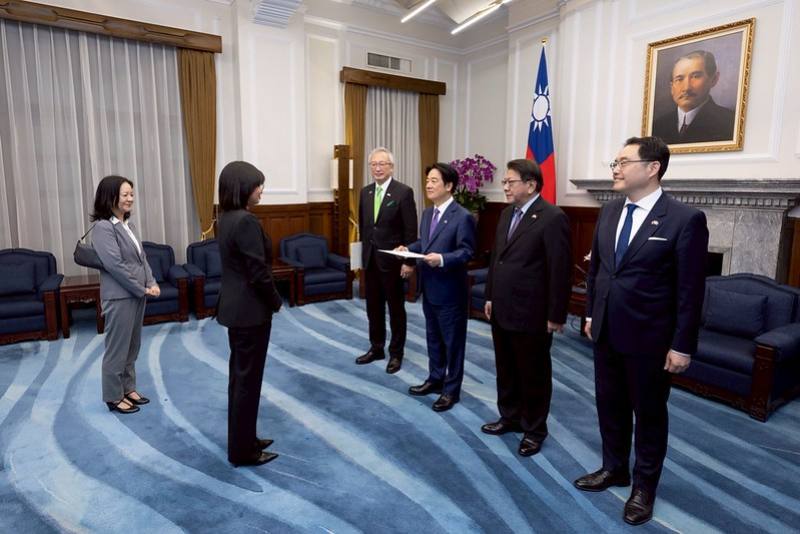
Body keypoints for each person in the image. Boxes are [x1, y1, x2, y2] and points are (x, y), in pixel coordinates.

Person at [574, 137, 708, 526]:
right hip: (606, 333)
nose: (614, 169)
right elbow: (599, 271)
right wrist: (590, 315)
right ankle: (614, 467)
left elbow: (690, 290)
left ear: (653, 168)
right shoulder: (610, 211)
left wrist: (682, 345)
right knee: (609, 405)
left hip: (650, 340)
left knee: (648, 415)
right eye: (613, 162)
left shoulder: (684, 219)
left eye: (623, 162)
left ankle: (644, 486)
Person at [480, 159, 572, 457]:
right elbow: (498, 259)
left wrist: (556, 315)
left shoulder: (552, 217)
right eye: (504, 182)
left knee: (533, 373)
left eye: (510, 182)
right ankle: (509, 417)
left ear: (530, 184)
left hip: (532, 312)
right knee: (505, 367)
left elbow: (560, 270)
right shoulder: (507, 213)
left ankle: (534, 429)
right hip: (503, 306)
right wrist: (490, 295)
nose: (504, 187)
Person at [216, 161, 283, 467]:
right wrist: (276, 301)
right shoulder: (245, 222)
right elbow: (258, 273)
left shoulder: (226, 218)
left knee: (241, 380)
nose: (261, 190)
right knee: (247, 382)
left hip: (237, 310)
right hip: (250, 312)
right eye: (258, 185)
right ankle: (243, 452)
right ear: (244, 187)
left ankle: (245, 439)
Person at [398, 163, 476, 412]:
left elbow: (466, 252)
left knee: (453, 343)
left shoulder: (463, 216)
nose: (428, 185)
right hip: (429, 288)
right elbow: (425, 242)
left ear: (449, 185)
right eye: (428, 180)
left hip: (451, 291)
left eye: (434, 180)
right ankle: (435, 379)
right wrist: (409, 250)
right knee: (433, 338)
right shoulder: (428, 213)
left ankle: (451, 391)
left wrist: (442, 259)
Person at [92, 175, 159, 415]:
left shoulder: (128, 226)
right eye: (125, 195)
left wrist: (151, 281)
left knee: (132, 345)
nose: (131, 198)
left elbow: (142, 259)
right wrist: (141, 288)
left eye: (132, 194)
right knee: (117, 348)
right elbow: (116, 266)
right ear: (110, 197)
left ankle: (128, 388)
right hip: (119, 296)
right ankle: (113, 395)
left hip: (136, 294)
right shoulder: (103, 227)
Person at [356, 147, 418, 374]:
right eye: (373, 164)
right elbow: (365, 228)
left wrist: (409, 261)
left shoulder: (403, 192)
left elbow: (411, 231)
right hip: (371, 261)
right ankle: (377, 347)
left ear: (391, 167)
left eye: (382, 164)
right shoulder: (365, 192)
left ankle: (396, 353)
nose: (378, 168)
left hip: (393, 262)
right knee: (373, 307)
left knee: (395, 308)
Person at [652, 50, 735, 144]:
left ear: (714, 79)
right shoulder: (656, 126)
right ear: (672, 87)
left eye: (696, 76)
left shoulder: (729, 122)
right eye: (679, 79)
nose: (686, 88)